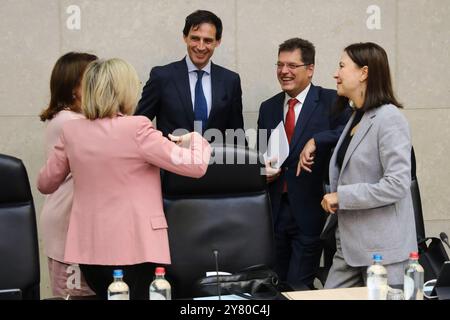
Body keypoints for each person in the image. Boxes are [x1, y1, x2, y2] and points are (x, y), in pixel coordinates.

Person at [37, 58, 211, 300]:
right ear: (124, 91)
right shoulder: (138, 128)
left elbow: (45, 184)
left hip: (90, 250)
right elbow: (196, 166)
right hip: (137, 248)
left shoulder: (71, 132)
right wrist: (196, 140)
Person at [321, 42, 417, 288]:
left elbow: (397, 184)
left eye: (342, 66)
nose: (336, 73)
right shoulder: (357, 116)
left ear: (364, 73)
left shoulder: (389, 118)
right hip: (349, 248)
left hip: (384, 254)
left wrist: (342, 196)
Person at [257, 38, 350, 289]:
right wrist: (262, 170)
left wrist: (316, 140)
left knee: (299, 287)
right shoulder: (268, 107)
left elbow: (350, 132)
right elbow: (263, 152)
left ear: (310, 69)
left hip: (311, 211)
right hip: (274, 214)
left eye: (292, 65)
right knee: (273, 286)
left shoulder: (332, 100)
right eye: (280, 64)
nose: (284, 71)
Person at [135, 10, 245, 144]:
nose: (200, 46)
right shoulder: (162, 77)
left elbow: (237, 134)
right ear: (185, 37)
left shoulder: (230, 81)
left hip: (215, 163)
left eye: (208, 40)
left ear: (218, 42)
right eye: (195, 38)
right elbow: (138, 126)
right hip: (171, 163)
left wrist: (245, 164)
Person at [39, 52, 97, 298]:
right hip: (67, 223)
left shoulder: (81, 118)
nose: (100, 83)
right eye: (93, 78)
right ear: (74, 87)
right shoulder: (70, 122)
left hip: (80, 224)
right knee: (74, 295)